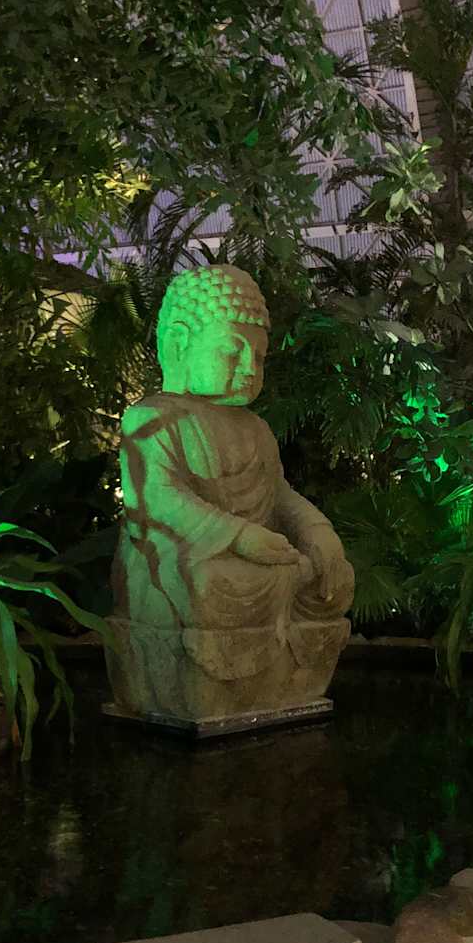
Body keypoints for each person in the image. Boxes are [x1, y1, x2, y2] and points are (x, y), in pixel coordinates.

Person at [107, 264, 354, 727]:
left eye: (258, 358)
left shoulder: (255, 428)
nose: (248, 368)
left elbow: (280, 495)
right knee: (209, 586)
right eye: (232, 350)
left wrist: (319, 533)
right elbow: (156, 499)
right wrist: (239, 536)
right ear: (179, 344)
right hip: (183, 556)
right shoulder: (152, 419)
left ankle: (286, 685)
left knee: (328, 580)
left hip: (258, 557)